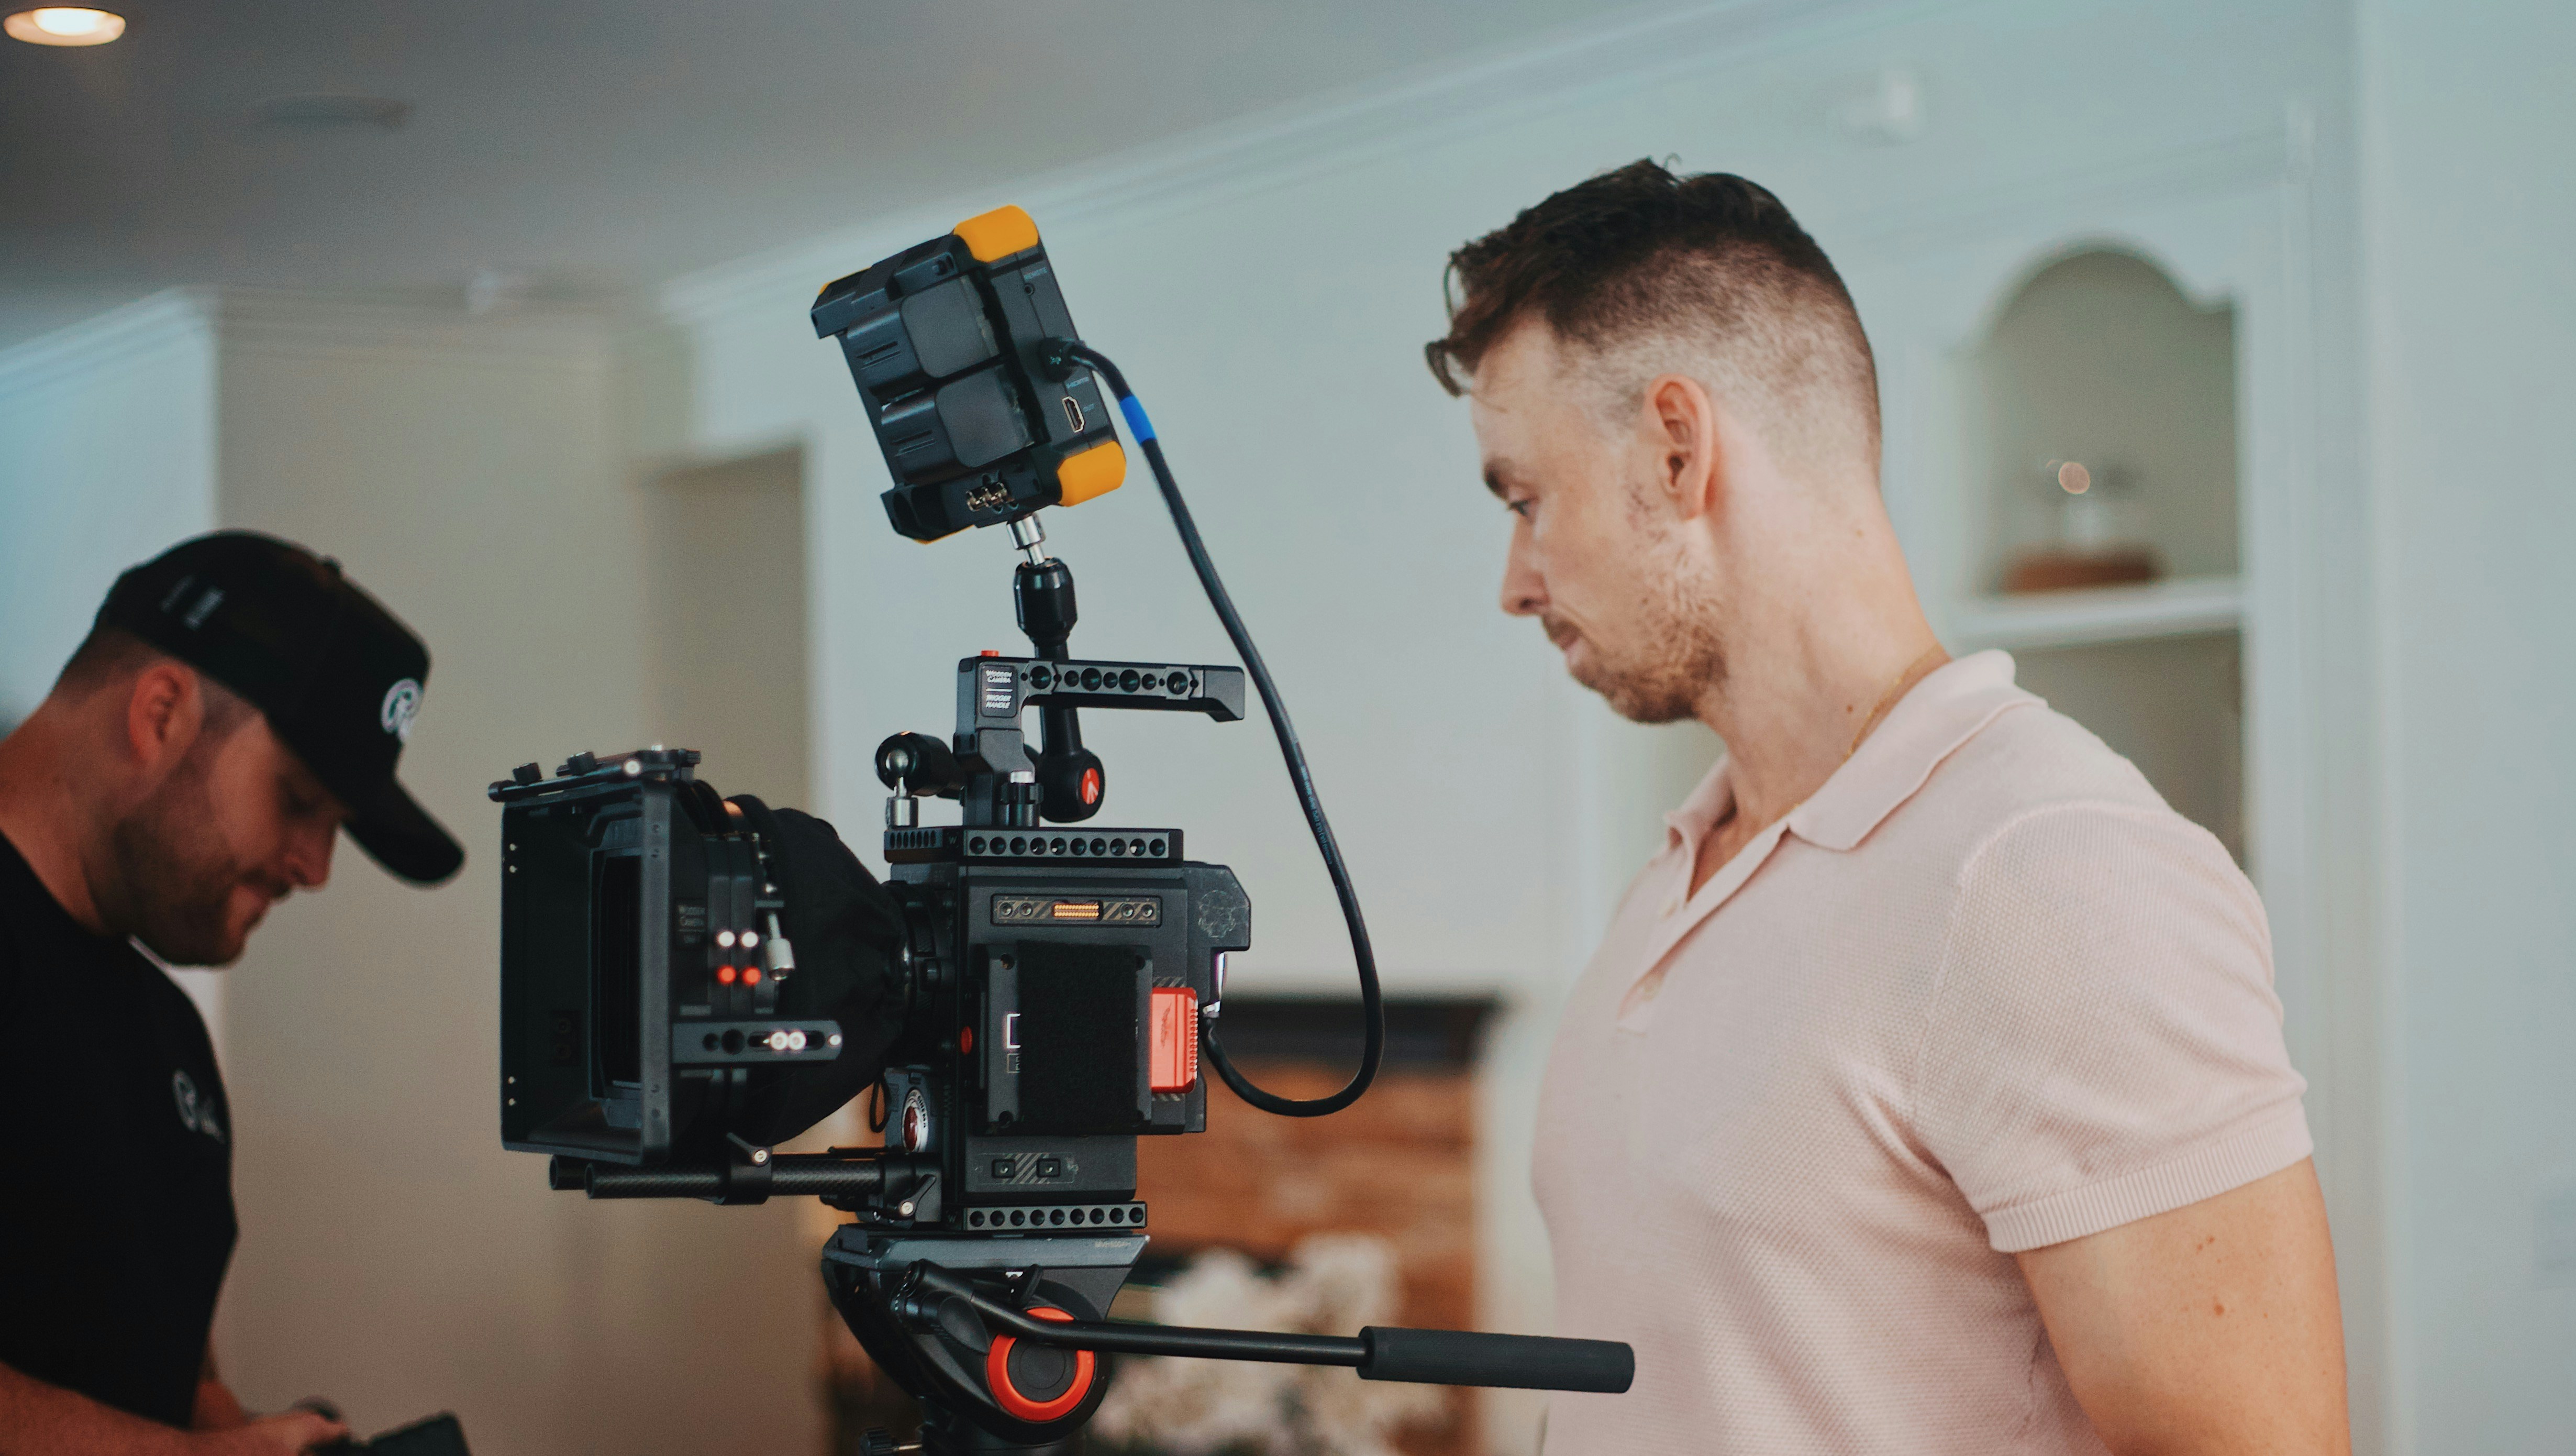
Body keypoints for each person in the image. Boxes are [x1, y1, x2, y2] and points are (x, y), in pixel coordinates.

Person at [1427, 162, 2346, 1454]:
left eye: (1528, 499)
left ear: (1678, 449)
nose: (1517, 583)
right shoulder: (1684, 870)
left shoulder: (2050, 869)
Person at [0, 533, 464, 1455]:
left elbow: (164, 1383)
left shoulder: (169, 1044)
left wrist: (252, 1435)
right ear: (162, 713)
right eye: (297, 801)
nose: (316, 869)